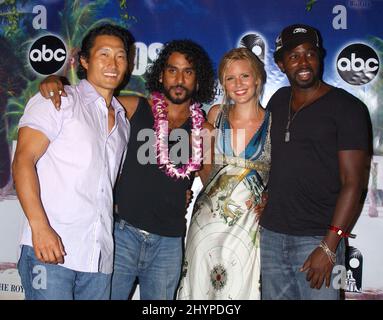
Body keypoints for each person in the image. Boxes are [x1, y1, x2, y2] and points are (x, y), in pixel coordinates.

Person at [39, 39, 216, 300]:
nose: (179, 79)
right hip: (123, 234)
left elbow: (212, 184)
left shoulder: (204, 130)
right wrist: (58, 81)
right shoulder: (134, 108)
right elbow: (90, 98)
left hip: (168, 242)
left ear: (197, 80)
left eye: (188, 72)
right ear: (161, 75)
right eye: (172, 70)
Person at [12, 24, 133, 300]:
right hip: (51, 248)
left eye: (120, 56)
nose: (113, 63)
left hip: (98, 257)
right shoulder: (59, 100)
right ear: (84, 61)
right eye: (104, 54)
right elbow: (22, 162)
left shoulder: (122, 122)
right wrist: (39, 228)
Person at [259, 24, 371, 300]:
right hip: (271, 236)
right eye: (294, 56)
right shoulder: (278, 100)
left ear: (320, 57)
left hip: (319, 240)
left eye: (310, 53)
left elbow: (353, 184)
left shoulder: (348, 109)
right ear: (281, 63)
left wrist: (330, 245)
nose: (303, 62)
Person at [177, 47, 271, 300]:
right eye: (230, 78)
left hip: (249, 231)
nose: (238, 84)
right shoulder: (215, 116)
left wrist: (270, 198)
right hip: (206, 225)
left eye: (245, 76)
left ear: (258, 78)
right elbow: (207, 174)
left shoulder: (275, 122)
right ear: (223, 84)